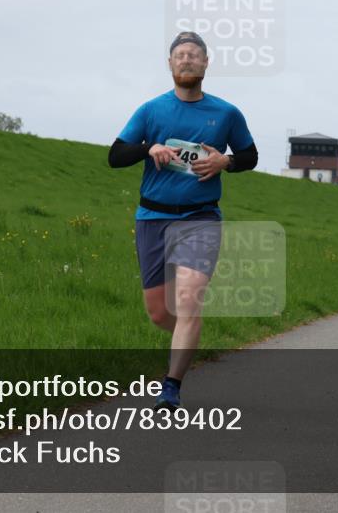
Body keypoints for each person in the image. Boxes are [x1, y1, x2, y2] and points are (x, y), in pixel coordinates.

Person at [109, 31, 257, 410]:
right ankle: (188, 339)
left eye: (194, 55)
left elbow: (250, 155)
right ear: (170, 64)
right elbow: (116, 155)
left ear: (206, 63)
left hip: (200, 218)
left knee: (189, 301)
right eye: (180, 55)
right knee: (160, 312)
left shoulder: (226, 113)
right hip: (153, 217)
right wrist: (149, 148)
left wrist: (227, 160)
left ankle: (170, 389)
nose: (187, 60)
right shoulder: (151, 110)